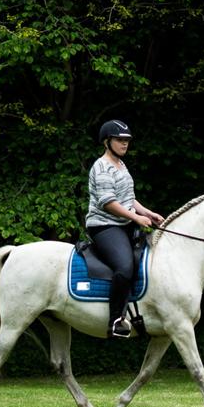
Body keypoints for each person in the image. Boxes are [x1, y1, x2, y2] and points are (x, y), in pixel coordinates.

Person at [85, 119, 165, 338]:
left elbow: (128, 198)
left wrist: (148, 213)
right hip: (104, 226)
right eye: (120, 140)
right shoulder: (102, 167)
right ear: (106, 142)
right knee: (124, 267)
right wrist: (136, 218)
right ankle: (115, 321)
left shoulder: (121, 165)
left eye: (127, 140)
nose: (125, 144)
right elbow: (108, 203)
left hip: (124, 223)